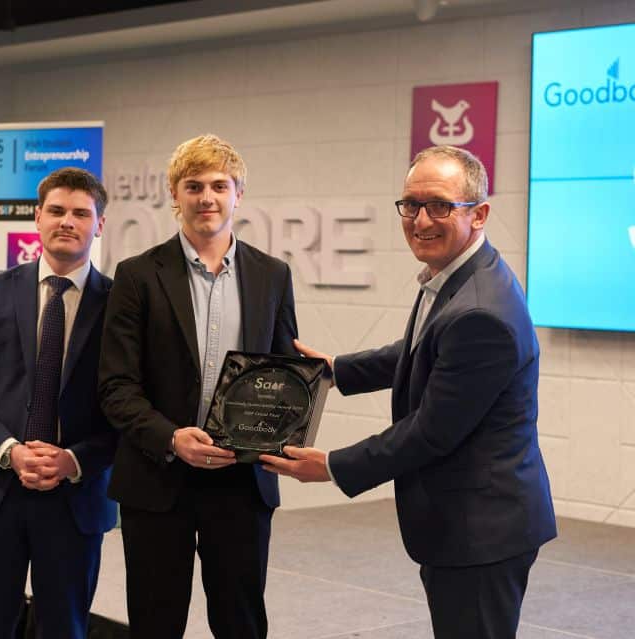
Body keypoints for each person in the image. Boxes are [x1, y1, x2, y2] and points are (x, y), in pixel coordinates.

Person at [261, 145, 557, 639]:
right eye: (411, 204)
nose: (421, 220)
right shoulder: (464, 276)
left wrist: (331, 466)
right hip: (472, 520)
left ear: (479, 213)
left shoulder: (479, 309)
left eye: (440, 205)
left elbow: (429, 434)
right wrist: (336, 370)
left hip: (479, 530)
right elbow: (422, 349)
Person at [98, 134, 298, 639]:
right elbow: (116, 386)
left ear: (238, 194)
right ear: (175, 194)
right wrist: (171, 437)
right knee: (155, 621)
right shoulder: (137, 275)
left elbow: (282, 374)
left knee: (241, 621)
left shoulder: (272, 276)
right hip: (157, 477)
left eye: (219, 185)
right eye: (194, 186)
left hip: (240, 481)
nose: (207, 197)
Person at [0, 167, 118, 638]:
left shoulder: (122, 305)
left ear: (99, 224)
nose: (68, 221)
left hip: (74, 499)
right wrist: (11, 451)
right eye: (57, 210)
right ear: (37, 218)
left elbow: (128, 409)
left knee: (65, 630)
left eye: (82, 213)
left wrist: (72, 461)